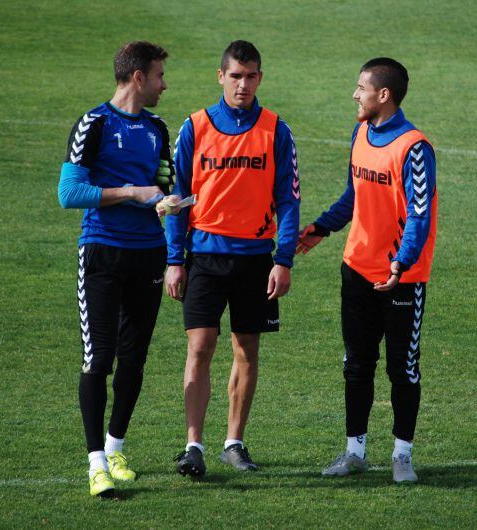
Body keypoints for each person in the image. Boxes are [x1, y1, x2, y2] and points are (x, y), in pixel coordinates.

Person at [296, 57, 437, 484]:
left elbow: (419, 214)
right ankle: (354, 451)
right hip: (357, 268)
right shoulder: (360, 132)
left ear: (384, 95)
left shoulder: (414, 147)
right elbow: (353, 196)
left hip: (400, 277)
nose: (354, 94)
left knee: (402, 368)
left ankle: (402, 455)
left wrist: (401, 261)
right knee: (356, 363)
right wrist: (321, 227)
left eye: (361, 87)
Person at [165, 40, 300, 477]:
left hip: (256, 261)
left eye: (251, 76)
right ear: (220, 76)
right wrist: (174, 259)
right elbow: (176, 199)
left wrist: (284, 259)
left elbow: (290, 200)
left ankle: (234, 442)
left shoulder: (276, 130)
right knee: (200, 347)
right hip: (204, 256)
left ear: (260, 78)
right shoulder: (195, 126)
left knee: (247, 349)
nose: (243, 84)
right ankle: (193, 445)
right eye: (236, 76)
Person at [57, 41, 178, 497]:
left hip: (149, 253)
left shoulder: (157, 128)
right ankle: (95, 465)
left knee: (134, 358)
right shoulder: (95, 123)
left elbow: (162, 186)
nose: (165, 84)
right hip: (103, 254)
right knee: (99, 357)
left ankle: (115, 449)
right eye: (160, 75)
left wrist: (168, 201)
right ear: (138, 77)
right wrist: (129, 192)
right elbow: (70, 194)